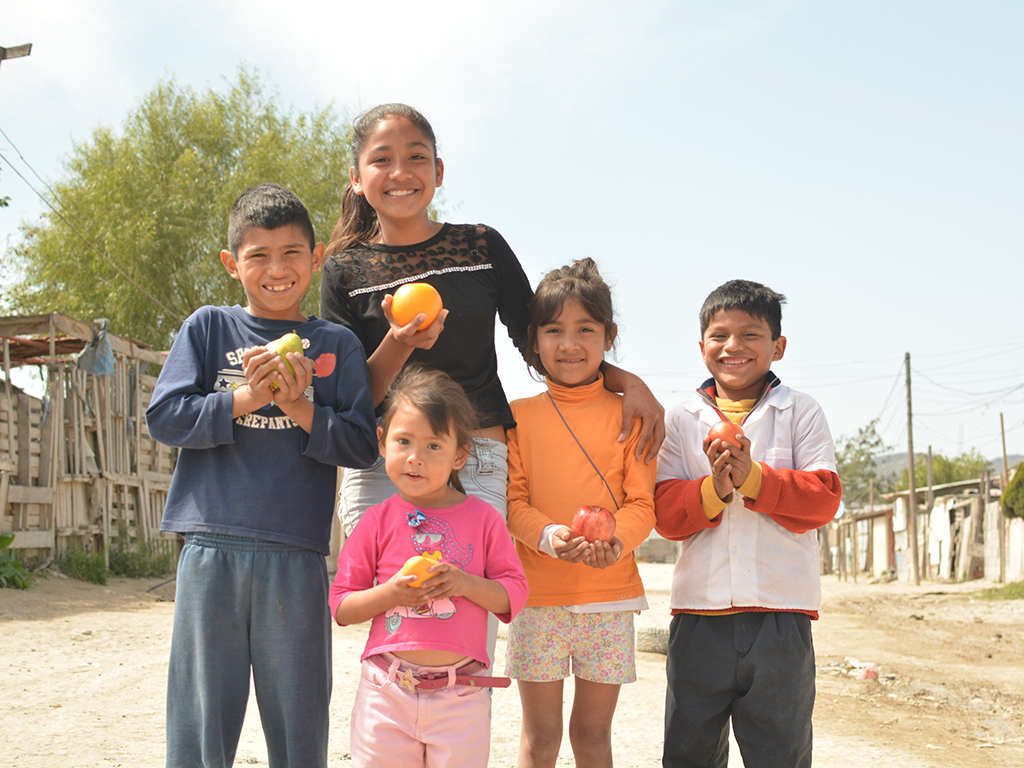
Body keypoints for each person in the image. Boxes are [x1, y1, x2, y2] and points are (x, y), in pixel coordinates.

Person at [319, 102, 664, 536]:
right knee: (386, 599)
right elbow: (348, 397)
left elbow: (540, 344)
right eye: (381, 159)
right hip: (381, 462)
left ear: (439, 171)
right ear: (356, 178)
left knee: (468, 602)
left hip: (477, 453)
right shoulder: (343, 272)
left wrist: (628, 382)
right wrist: (400, 343)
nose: (400, 172)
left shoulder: (481, 247)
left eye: (416, 157)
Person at [145, 182, 379, 768]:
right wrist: (250, 396)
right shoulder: (207, 329)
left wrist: (301, 405)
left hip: (296, 555)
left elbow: (359, 445)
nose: (277, 269)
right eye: (258, 256)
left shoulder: (336, 345)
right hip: (210, 547)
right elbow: (166, 418)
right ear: (232, 264)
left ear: (316, 256)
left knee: (299, 721)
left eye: (292, 254)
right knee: (201, 720)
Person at [654, 279, 843, 768]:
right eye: (719, 335)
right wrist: (713, 490)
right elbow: (665, 513)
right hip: (699, 617)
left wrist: (755, 478)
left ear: (777, 346)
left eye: (750, 335)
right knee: (688, 752)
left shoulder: (800, 411)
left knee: (780, 753)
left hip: (781, 618)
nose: (732, 346)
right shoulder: (680, 417)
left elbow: (823, 499)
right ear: (701, 348)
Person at [330, 365, 530, 768]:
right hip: (385, 693)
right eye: (403, 441)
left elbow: (514, 595)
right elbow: (341, 605)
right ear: (383, 443)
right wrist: (392, 594)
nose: (415, 458)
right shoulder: (376, 520)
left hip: (461, 698)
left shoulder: (484, 519)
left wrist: (463, 584)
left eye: (434, 446)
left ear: (461, 455)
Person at [504, 258, 657, 768]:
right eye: (554, 331)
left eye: (585, 330)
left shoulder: (631, 415)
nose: (569, 345)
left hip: (608, 599)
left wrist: (617, 543)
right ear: (535, 340)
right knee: (540, 738)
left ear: (608, 336)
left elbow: (641, 504)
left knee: (592, 736)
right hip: (536, 597)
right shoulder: (516, 417)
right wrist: (548, 536)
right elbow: (513, 503)